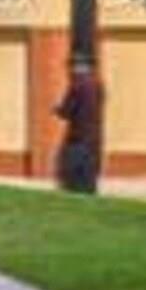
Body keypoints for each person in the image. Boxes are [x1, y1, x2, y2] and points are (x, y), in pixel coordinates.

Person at [55, 56, 104, 193]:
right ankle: (88, 190)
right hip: (94, 134)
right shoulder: (97, 84)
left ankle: (72, 188)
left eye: (70, 67)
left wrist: (57, 109)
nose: (69, 71)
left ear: (77, 67)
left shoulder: (77, 85)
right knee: (89, 169)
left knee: (69, 165)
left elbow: (66, 111)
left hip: (77, 135)